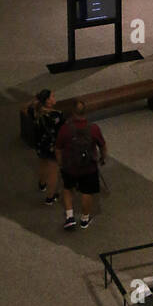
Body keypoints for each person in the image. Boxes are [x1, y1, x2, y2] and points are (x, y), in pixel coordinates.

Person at [56, 100, 106, 231]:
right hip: (88, 167)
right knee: (87, 192)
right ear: (86, 112)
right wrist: (102, 158)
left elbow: (58, 148)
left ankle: (69, 216)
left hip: (69, 167)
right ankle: (84, 219)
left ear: (73, 113)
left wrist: (61, 163)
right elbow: (102, 145)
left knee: (67, 189)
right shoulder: (93, 128)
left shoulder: (65, 129)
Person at [29, 89, 64, 204]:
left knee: (43, 164)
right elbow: (63, 131)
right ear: (47, 101)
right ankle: (50, 196)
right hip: (52, 147)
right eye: (52, 97)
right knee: (53, 171)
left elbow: (32, 104)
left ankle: (42, 184)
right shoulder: (56, 115)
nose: (54, 98)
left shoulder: (34, 111)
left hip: (40, 144)